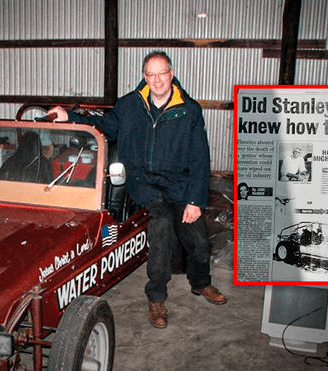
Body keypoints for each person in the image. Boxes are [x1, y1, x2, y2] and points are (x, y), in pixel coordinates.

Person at [48, 51, 226, 329]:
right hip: (144, 181)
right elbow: (105, 126)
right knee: (162, 227)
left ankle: (201, 283)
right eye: (151, 74)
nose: (157, 80)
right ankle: (156, 298)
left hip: (179, 182)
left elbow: (200, 158)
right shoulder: (130, 105)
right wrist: (69, 115)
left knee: (199, 241)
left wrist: (194, 200)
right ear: (145, 76)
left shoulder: (189, 110)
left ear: (171, 74)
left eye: (162, 73)